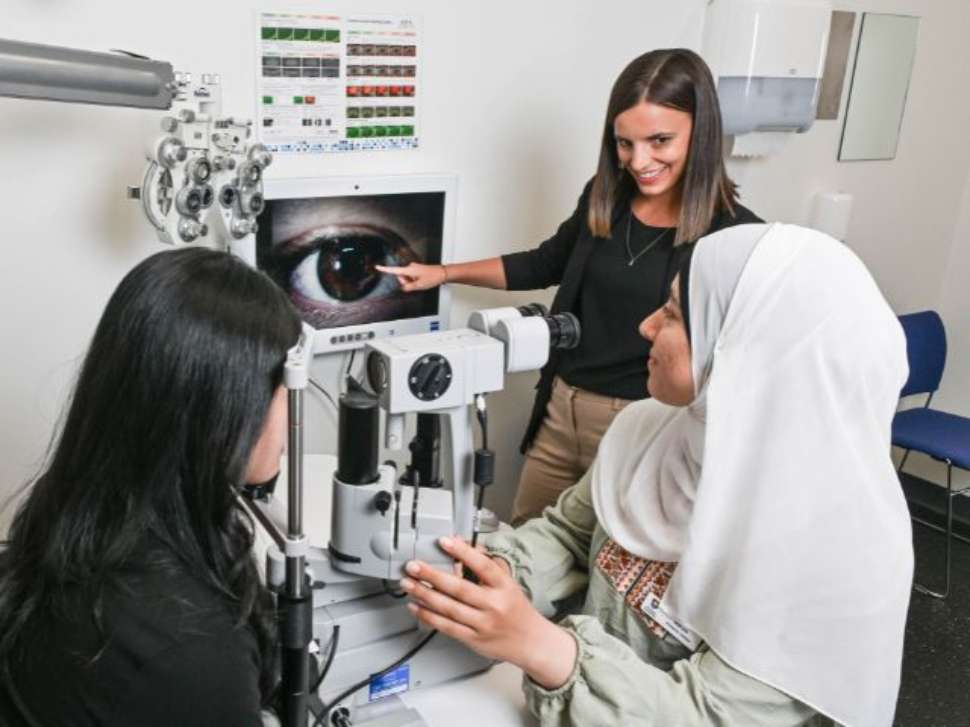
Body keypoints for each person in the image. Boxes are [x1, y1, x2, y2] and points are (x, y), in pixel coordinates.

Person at [396, 223, 913, 726]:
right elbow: (570, 535)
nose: (646, 326)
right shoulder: (654, 429)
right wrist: (495, 577)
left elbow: (709, 716)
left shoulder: (840, 555)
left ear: (741, 348)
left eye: (671, 314)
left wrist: (542, 647)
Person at [378, 48, 762, 524]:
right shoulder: (607, 198)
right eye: (625, 144)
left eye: (660, 141)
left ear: (700, 133)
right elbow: (545, 263)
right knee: (523, 543)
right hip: (563, 409)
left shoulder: (736, 238)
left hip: (644, 426)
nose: (640, 162)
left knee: (602, 566)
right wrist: (443, 272)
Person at [0, 248, 302, 726]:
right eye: (284, 387)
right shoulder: (191, 654)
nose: (292, 413)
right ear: (222, 412)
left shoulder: (67, 514)